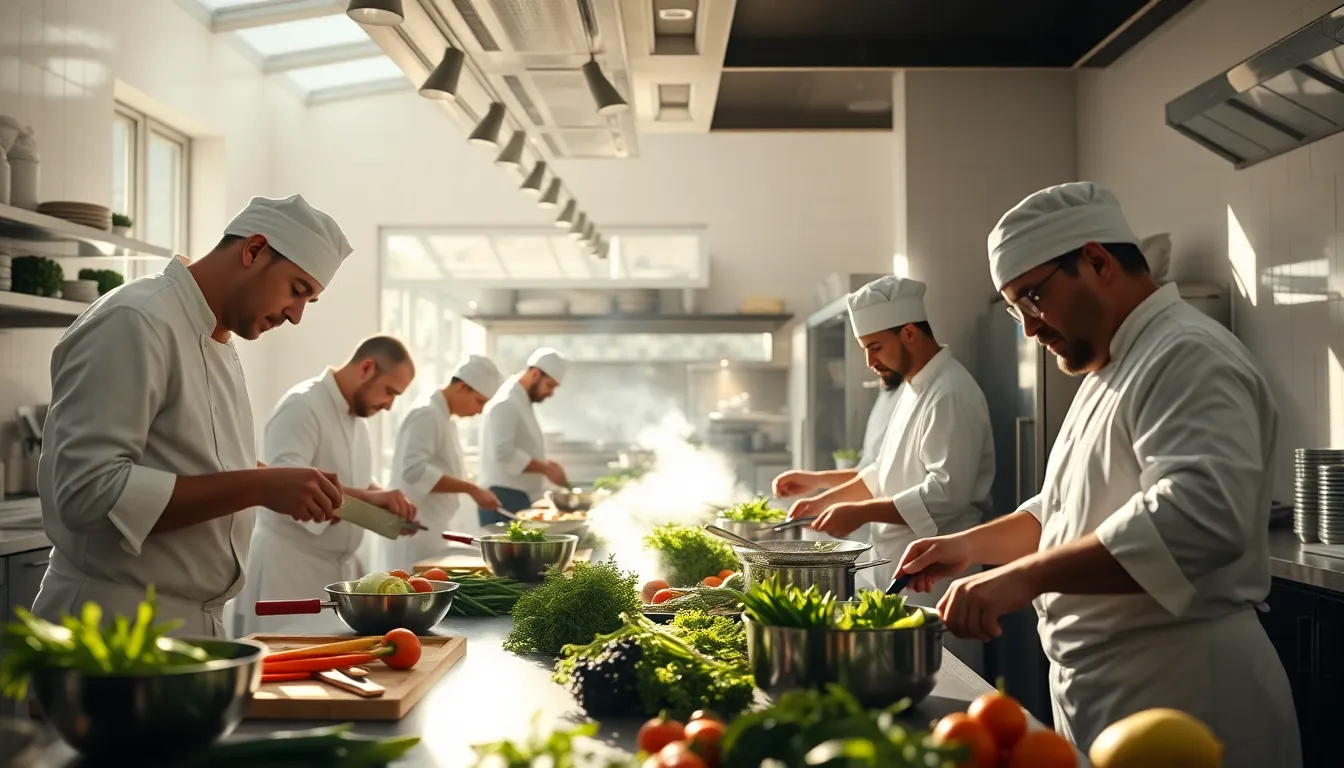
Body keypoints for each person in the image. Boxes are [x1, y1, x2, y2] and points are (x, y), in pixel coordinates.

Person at [894, 182, 1300, 767]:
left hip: (1185, 696)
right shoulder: (1111, 368)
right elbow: (1065, 510)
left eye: (1033, 298)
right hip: (1113, 693)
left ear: (1097, 261)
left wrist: (1022, 579)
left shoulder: (1186, 353)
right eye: (1016, 309)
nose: (1030, 328)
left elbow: (1198, 517)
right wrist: (969, 546)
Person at [35, 194, 354, 636]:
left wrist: (285, 485)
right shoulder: (138, 318)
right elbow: (87, 492)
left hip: (187, 626)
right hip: (112, 626)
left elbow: (200, 465)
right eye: (297, 290)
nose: (296, 316)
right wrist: (260, 485)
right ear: (254, 249)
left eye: (309, 301)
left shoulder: (218, 338)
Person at [781, 276, 995, 673]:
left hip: (937, 582)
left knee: (948, 695)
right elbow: (884, 470)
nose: (870, 361)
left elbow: (947, 494)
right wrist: (825, 499)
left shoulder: (950, 393)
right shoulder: (913, 389)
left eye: (875, 347)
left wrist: (862, 513)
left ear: (909, 332)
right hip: (899, 571)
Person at [238, 336, 420, 635]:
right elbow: (293, 492)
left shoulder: (358, 421)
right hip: (289, 571)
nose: (389, 405)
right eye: (390, 391)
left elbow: (353, 487)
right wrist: (374, 499)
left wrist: (386, 510)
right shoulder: (302, 406)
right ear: (366, 367)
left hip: (337, 574)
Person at [388, 354, 505, 566]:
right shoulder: (427, 413)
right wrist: (471, 488)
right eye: (480, 402)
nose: (479, 411)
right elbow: (414, 471)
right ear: (462, 387)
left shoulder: (442, 416)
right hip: (415, 531)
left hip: (431, 528)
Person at [477, 348, 569, 526]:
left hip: (515, 495)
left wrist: (545, 465)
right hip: (502, 497)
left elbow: (519, 446)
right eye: (549, 385)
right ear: (535, 374)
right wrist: (544, 468)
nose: (550, 393)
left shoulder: (521, 400)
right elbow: (503, 452)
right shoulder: (506, 402)